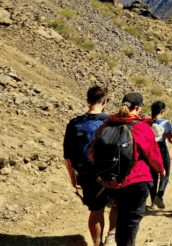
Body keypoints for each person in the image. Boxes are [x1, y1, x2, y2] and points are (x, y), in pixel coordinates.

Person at [91, 93, 164, 246]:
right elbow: (152, 153)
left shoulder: (107, 124)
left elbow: (93, 151)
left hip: (111, 181)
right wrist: (161, 170)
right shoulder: (141, 127)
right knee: (130, 223)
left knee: (120, 217)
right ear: (137, 108)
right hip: (136, 181)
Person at [63, 86, 119, 246]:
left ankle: (97, 244)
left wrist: (73, 177)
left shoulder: (74, 124)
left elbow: (67, 156)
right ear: (105, 102)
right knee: (116, 205)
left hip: (86, 174)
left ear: (87, 101)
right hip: (112, 173)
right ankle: (111, 236)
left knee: (96, 211)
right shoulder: (113, 122)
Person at [148, 101, 172, 211]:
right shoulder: (165, 123)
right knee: (165, 173)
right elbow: (171, 140)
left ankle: (153, 202)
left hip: (151, 151)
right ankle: (159, 197)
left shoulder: (147, 123)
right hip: (162, 150)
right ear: (162, 111)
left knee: (153, 176)